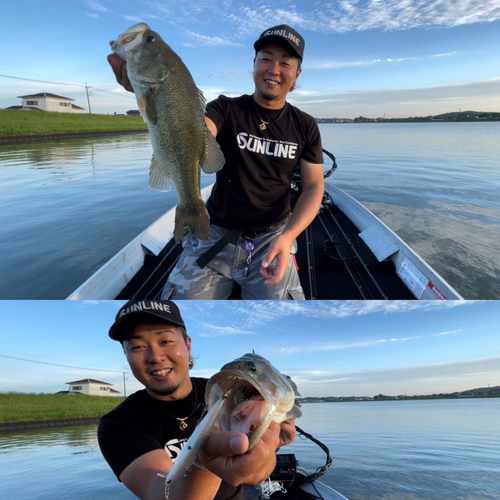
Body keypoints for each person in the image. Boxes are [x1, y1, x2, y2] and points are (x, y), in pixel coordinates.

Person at [108, 24, 324, 300]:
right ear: (255, 64)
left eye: (285, 63)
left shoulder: (305, 125)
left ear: (297, 73)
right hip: (215, 232)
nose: (274, 69)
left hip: (274, 237)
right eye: (266, 59)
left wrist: (287, 236)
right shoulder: (225, 108)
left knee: (284, 321)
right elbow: (199, 129)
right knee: (174, 311)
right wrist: (148, 94)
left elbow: (314, 187)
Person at [98, 299, 297, 500]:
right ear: (126, 355)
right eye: (137, 346)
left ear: (187, 345)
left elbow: (261, 461)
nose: (155, 356)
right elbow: (163, 493)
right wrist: (203, 462)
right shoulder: (118, 425)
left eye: (166, 341)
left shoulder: (227, 389)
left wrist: (265, 454)